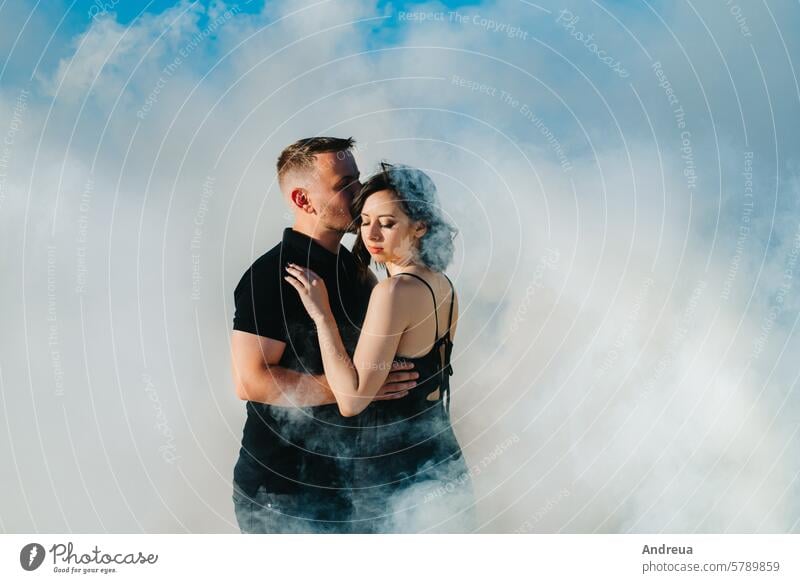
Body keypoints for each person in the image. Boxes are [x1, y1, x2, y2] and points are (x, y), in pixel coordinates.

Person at [230, 138, 421, 533]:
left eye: (358, 179)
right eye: (344, 184)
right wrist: (352, 390)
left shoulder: (354, 268)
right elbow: (251, 380)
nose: (359, 193)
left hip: (351, 483)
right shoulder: (273, 275)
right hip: (285, 490)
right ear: (303, 200)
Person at [284, 162, 477, 533]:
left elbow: (352, 399)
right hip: (440, 457)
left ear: (420, 227)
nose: (370, 232)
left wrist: (321, 314)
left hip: (394, 469)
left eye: (387, 223)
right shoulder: (442, 284)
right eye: (366, 219)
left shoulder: (394, 292)